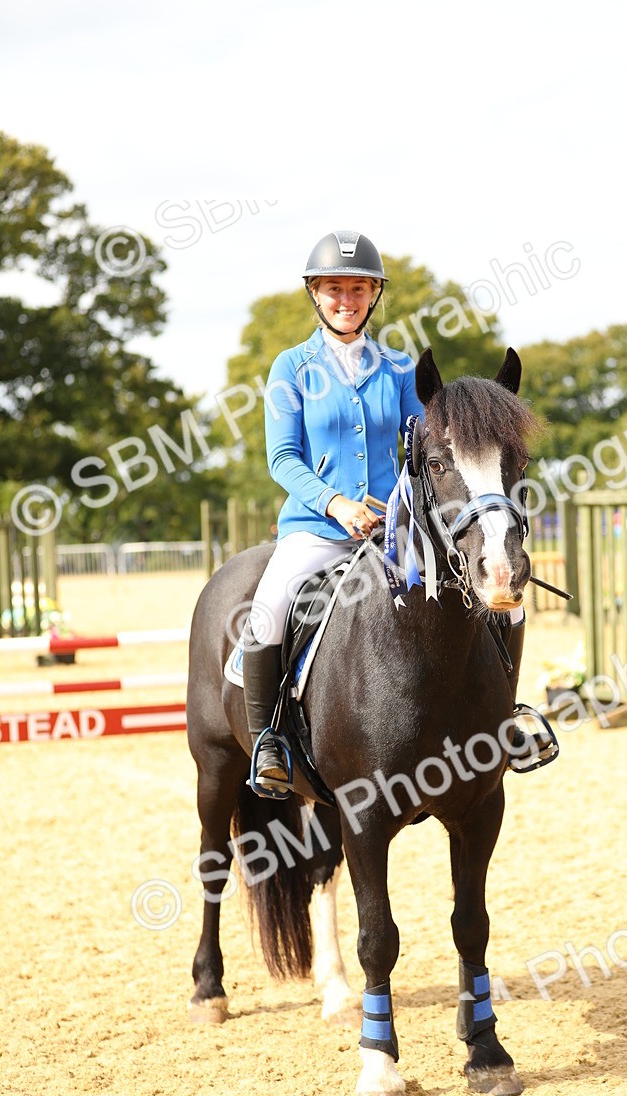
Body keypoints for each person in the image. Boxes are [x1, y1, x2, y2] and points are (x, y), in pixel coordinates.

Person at [243, 230, 423, 792]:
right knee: (265, 613)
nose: (346, 299)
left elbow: (421, 446)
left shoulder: (399, 367)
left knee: (480, 590)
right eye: (333, 289)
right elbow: (281, 458)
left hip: (394, 531)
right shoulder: (290, 368)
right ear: (315, 295)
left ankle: (505, 713)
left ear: (374, 294)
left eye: (358, 288)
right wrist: (335, 502)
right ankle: (268, 742)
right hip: (316, 530)